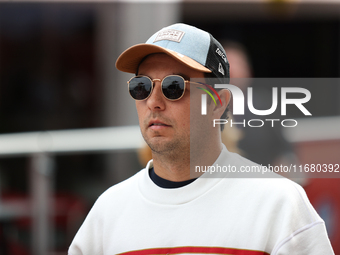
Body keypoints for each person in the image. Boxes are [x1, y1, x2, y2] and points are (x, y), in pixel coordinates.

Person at [68, 23, 334, 255]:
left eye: (175, 86)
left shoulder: (280, 206)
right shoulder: (107, 213)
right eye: (142, 86)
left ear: (219, 103)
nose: (153, 102)